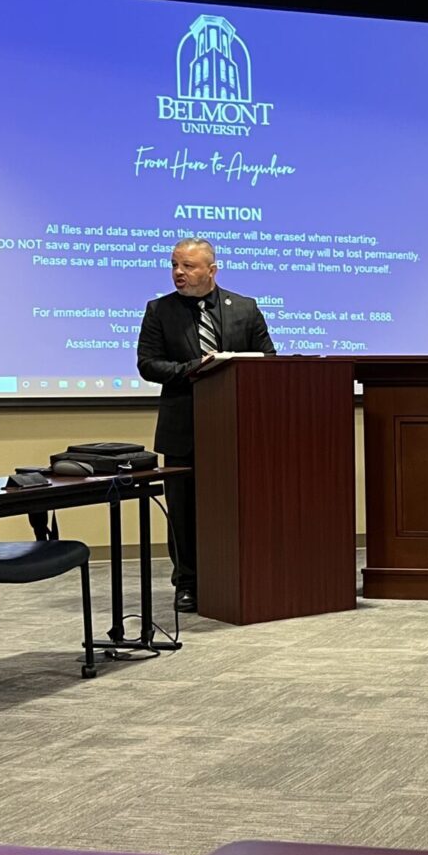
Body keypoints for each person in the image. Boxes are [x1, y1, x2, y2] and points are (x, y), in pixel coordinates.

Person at [136, 237, 277, 614]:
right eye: (174, 265)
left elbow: (268, 359)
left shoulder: (244, 308)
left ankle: (242, 576)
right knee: (183, 512)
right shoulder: (160, 310)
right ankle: (187, 582)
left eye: (188, 266)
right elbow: (148, 364)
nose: (178, 273)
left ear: (211, 270)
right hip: (183, 428)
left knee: (239, 507)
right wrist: (194, 368)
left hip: (237, 428)